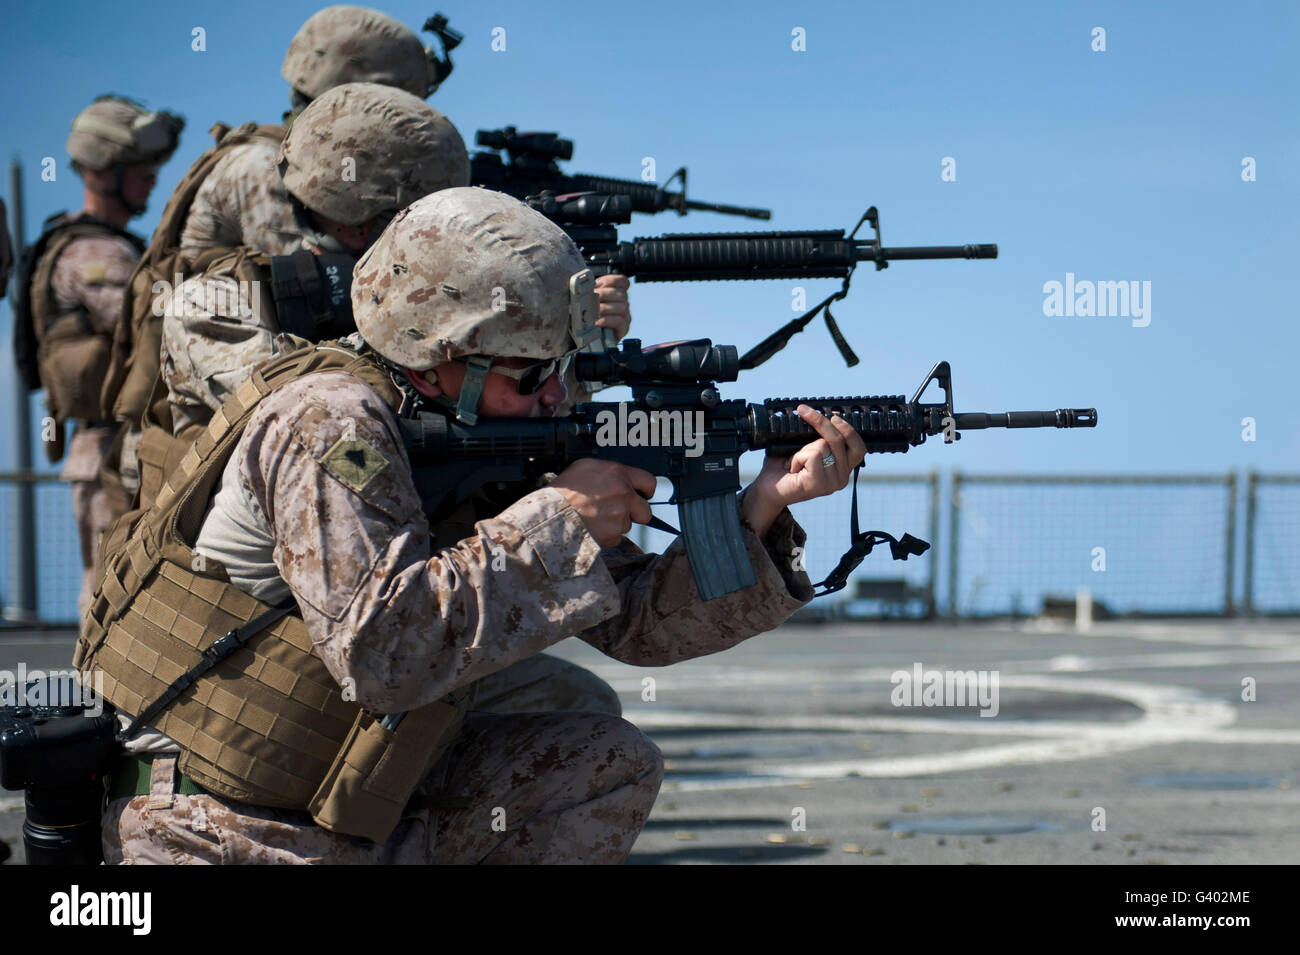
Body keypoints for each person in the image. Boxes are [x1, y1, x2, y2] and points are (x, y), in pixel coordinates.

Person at [77, 187, 866, 863]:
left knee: (602, 758)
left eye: (565, 369)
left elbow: (643, 628)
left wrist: (764, 505)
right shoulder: (328, 422)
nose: (557, 397)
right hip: (217, 823)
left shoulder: (481, 428)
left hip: (343, 800)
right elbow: (382, 653)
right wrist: (560, 521)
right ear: (432, 358)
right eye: (531, 375)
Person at [13, 95, 182, 616]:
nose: (153, 179)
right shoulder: (95, 252)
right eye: (142, 168)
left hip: (113, 445)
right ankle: (102, 696)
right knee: (114, 591)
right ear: (106, 171)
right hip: (113, 446)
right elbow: (157, 328)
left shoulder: (99, 242)